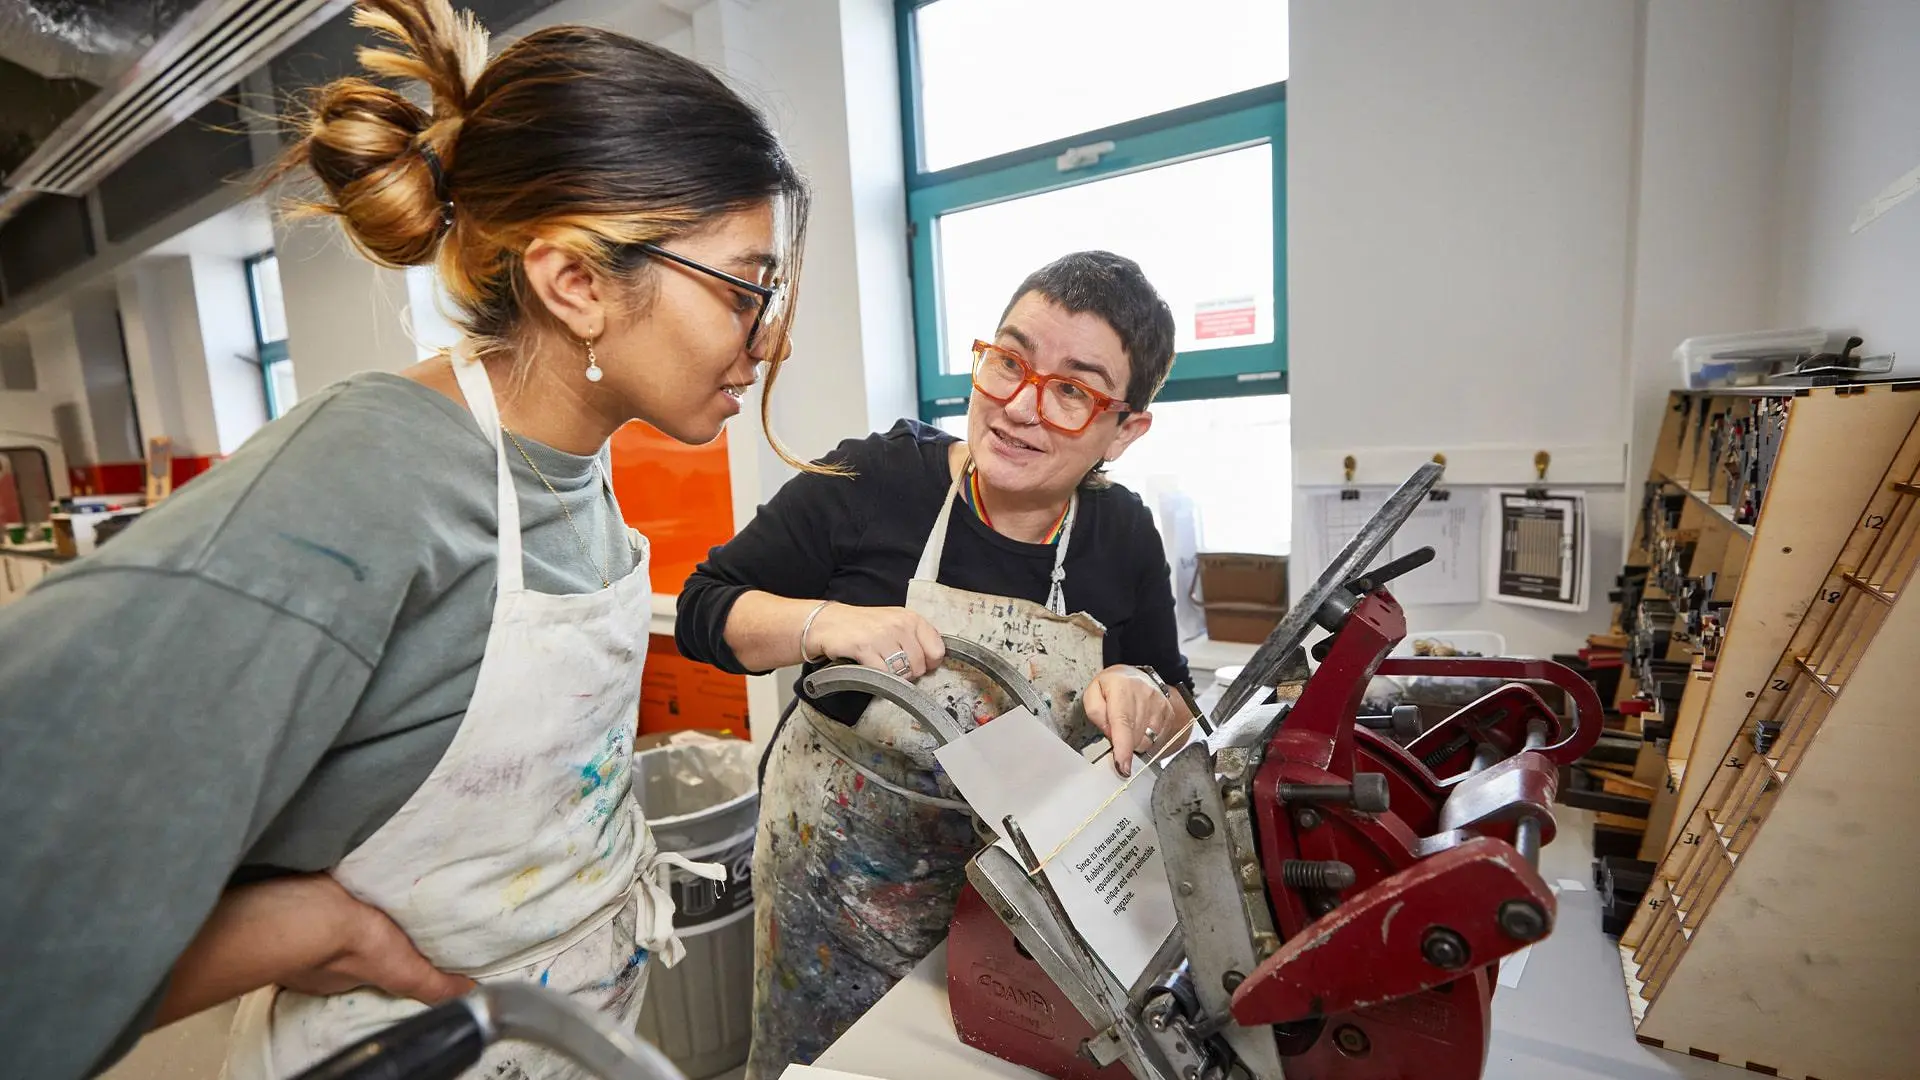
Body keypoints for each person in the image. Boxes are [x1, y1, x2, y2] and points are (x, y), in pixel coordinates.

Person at [0, 1, 811, 1075]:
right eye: (745, 287)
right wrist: (305, 928)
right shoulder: (372, 477)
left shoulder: (573, 456)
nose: (770, 340)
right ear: (573, 282)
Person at [675, 250, 1195, 1077]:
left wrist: (1141, 690)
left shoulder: (1120, 535)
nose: (1020, 408)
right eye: (1009, 362)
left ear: (1124, 430)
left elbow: (1176, 701)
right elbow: (705, 609)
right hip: (828, 915)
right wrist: (824, 623)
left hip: (1012, 925)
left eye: (1071, 390)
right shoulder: (873, 481)